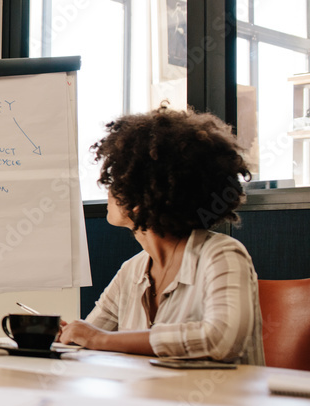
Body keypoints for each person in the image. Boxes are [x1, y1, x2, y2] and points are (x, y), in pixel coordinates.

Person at [58, 106, 265, 365]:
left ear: (143, 195)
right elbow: (88, 338)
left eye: (116, 181)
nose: (108, 192)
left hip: (223, 403)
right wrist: (68, 335)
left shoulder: (222, 255)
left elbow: (221, 340)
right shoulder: (132, 271)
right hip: (152, 403)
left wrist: (100, 339)